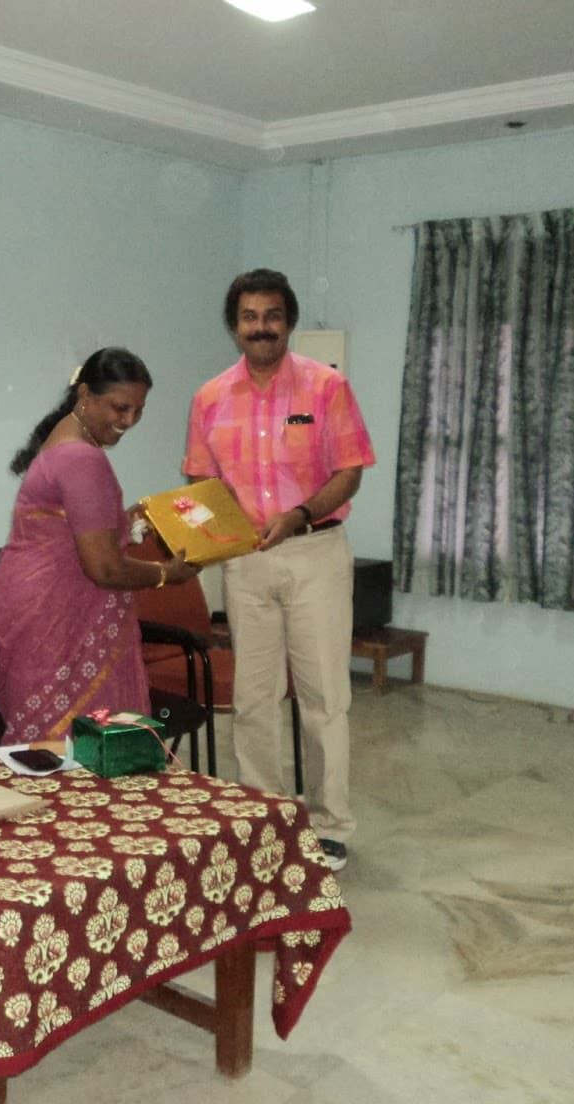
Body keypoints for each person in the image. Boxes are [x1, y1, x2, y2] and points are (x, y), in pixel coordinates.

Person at [184, 269, 375, 871]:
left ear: (288, 321)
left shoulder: (326, 387)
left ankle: (329, 824)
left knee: (323, 697)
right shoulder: (210, 397)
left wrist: (299, 514)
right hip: (246, 562)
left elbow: (350, 470)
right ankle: (262, 819)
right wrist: (208, 532)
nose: (260, 327)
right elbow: (199, 481)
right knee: (254, 698)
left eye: (271, 315)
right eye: (249, 317)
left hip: (315, 551)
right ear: (234, 326)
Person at [0, 347, 198, 744]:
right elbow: (105, 569)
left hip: (32, 612)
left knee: (48, 752)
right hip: (53, 624)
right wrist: (166, 574)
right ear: (84, 395)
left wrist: (121, 521)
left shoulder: (64, 442)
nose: (129, 421)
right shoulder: (82, 457)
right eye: (120, 407)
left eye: (138, 410)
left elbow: (67, 528)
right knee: (75, 753)